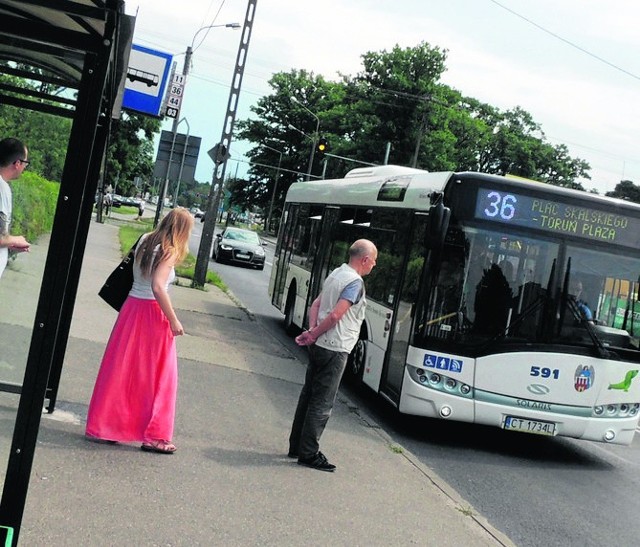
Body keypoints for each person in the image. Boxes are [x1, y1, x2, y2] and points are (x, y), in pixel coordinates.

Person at [85, 207, 194, 454]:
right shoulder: (169, 250)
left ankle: (108, 425)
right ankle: (155, 436)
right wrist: (174, 319)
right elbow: (158, 286)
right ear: (182, 231)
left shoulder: (145, 239)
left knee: (122, 368)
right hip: (152, 314)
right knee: (161, 376)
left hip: (131, 309)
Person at [288, 239, 378, 472]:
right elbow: (337, 315)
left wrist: (311, 332)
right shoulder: (355, 283)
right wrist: (316, 333)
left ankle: (296, 446)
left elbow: (316, 305)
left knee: (308, 395)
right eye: (374, 261)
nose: (374, 265)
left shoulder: (336, 273)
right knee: (323, 401)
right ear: (365, 260)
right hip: (335, 347)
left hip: (319, 345)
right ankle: (309, 453)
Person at [0, 137, 31, 279]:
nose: (25, 167)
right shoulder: (2, 189)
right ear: (17, 163)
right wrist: (15, 240)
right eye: (26, 163)